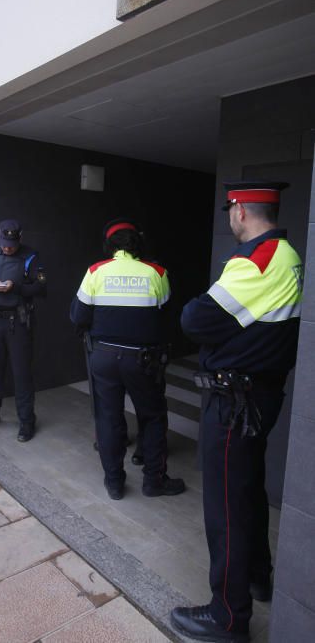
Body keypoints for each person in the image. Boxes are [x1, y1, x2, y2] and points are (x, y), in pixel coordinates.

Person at [171, 182, 303, 643]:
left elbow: (195, 319)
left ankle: (227, 616)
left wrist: (212, 328)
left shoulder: (258, 259)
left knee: (226, 505)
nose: (230, 215)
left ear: (241, 210)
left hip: (234, 404)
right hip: (255, 398)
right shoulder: (287, 254)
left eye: (230, 209)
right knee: (245, 493)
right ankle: (257, 575)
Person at [70, 218, 185, 500]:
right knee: (153, 416)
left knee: (108, 419)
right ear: (137, 243)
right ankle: (153, 482)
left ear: (110, 245)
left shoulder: (96, 271)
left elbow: (78, 316)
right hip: (143, 360)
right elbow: (168, 317)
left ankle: (114, 483)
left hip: (104, 357)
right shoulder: (156, 271)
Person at [0, 219, 46, 441]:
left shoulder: (31, 255)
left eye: (12, 243)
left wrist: (17, 288)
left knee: (21, 374)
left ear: (20, 238)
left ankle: (26, 421)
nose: (7, 248)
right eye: (4, 243)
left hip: (18, 323)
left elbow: (41, 288)